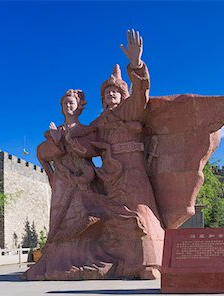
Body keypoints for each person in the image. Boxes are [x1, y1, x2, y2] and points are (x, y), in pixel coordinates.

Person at [90, 29, 164, 280]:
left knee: (142, 212)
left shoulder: (129, 110)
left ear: (122, 95)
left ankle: (151, 262)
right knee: (116, 217)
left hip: (133, 170)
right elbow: (83, 139)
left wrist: (136, 63)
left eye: (114, 92)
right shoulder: (99, 122)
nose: (110, 96)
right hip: (111, 174)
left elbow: (141, 89)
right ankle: (120, 260)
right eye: (106, 93)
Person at [24, 89, 112, 280]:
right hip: (63, 182)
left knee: (85, 216)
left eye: (71, 103)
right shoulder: (55, 132)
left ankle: (85, 259)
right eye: (65, 103)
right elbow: (41, 153)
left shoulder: (86, 130)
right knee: (60, 219)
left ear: (78, 106)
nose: (68, 106)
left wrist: (67, 141)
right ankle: (57, 260)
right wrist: (52, 174)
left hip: (82, 179)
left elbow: (91, 152)